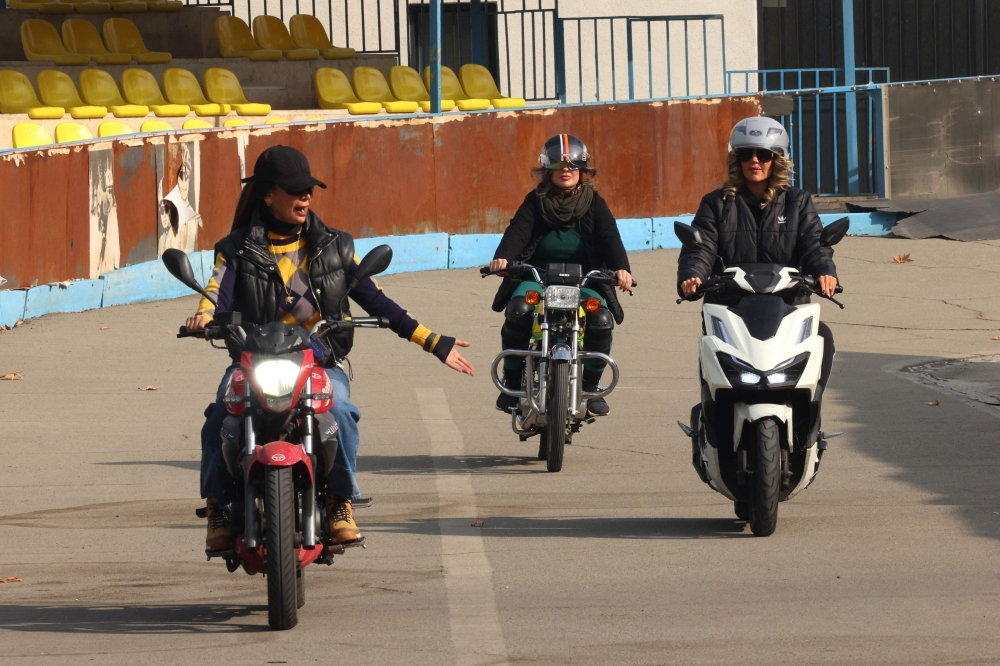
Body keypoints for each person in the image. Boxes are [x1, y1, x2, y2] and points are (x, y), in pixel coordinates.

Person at [186, 145, 475, 554]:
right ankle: (218, 506)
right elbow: (216, 290)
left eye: (309, 189)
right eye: (295, 190)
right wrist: (203, 316)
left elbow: (378, 301)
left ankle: (340, 500)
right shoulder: (233, 249)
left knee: (338, 409)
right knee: (220, 413)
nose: (305, 197)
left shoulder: (336, 246)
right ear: (268, 194)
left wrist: (433, 341)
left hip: (318, 359)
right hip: (254, 363)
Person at [677, 116, 838, 390]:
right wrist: (693, 276)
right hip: (731, 305)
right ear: (735, 160)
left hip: (787, 304)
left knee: (823, 338)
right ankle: (711, 420)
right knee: (715, 359)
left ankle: (811, 413)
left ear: (777, 159)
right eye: (745, 154)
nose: (755, 160)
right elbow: (700, 247)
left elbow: (814, 243)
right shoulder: (716, 204)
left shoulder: (797, 202)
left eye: (763, 154)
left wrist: (824, 271)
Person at [487, 134, 633, 416]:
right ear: (547, 171)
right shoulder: (535, 201)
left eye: (573, 166)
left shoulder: (594, 203)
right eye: (559, 166)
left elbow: (609, 237)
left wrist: (621, 269)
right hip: (537, 277)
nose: (566, 171)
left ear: (583, 171)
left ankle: (590, 388)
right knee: (518, 310)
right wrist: (503, 258)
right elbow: (518, 230)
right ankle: (513, 381)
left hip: (585, 280)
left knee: (601, 320)